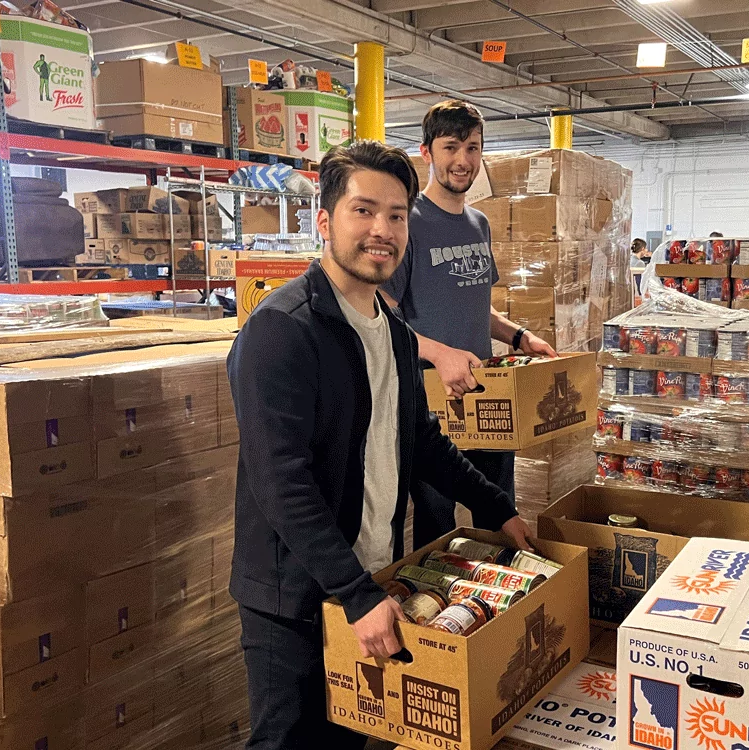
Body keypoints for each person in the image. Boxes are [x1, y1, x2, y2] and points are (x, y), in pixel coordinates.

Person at [226, 139, 533, 750]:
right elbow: (281, 482)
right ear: (324, 220)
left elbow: (421, 441)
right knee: (292, 742)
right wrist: (356, 593)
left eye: (396, 215)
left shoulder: (392, 331)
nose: (382, 230)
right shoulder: (282, 332)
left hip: (371, 576)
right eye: (363, 211)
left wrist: (498, 508)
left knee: (350, 741)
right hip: (298, 597)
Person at [381, 99, 556, 548]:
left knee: (498, 506)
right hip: (432, 400)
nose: (463, 160)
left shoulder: (478, 222)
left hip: (487, 392)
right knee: (438, 517)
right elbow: (381, 319)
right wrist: (439, 353)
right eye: (451, 147)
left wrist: (520, 337)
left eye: (473, 148)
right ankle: (439, 611)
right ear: (427, 153)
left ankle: (502, 605)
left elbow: (477, 305)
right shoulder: (408, 223)